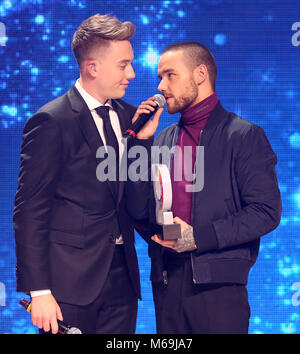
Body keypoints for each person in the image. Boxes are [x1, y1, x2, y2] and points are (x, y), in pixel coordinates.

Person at [13, 13, 163, 334]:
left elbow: (137, 196)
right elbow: (30, 211)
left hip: (123, 281)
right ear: (92, 67)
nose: (132, 74)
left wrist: (145, 140)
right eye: (123, 65)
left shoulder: (129, 116)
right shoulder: (52, 122)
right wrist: (39, 292)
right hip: (69, 288)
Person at [131, 41, 282, 334]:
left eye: (169, 75)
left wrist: (197, 238)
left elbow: (266, 212)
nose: (161, 86)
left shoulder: (243, 136)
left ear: (200, 74)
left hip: (219, 288)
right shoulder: (161, 139)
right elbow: (142, 211)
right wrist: (139, 144)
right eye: (159, 77)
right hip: (166, 283)